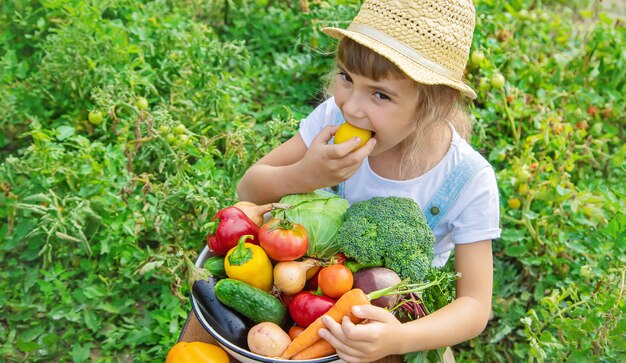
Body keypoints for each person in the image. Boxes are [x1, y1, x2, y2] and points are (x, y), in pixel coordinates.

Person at [237, 0, 501, 361]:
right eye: (346, 77)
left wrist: (399, 339)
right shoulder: (330, 119)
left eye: (380, 94)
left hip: (398, 317)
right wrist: (305, 174)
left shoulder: (467, 179)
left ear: (433, 104)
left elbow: (474, 305)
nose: (351, 107)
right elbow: (248, 190)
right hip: (308, 291)